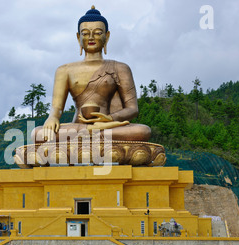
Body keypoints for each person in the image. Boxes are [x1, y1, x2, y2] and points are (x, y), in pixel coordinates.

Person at [34, 6, 151, 144]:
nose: (90, 37)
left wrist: (109, 119)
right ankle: (91, 136)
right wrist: (52, 118)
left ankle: (88, 138)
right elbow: (56, 109)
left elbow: (132, 109)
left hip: (107, 126)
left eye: (97, 33)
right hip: (78, 126)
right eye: (85, 33)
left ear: (106, 37)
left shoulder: (120, 68)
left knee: (143, 131)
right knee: (38, 134)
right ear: (78, 37)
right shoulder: (64, 70)